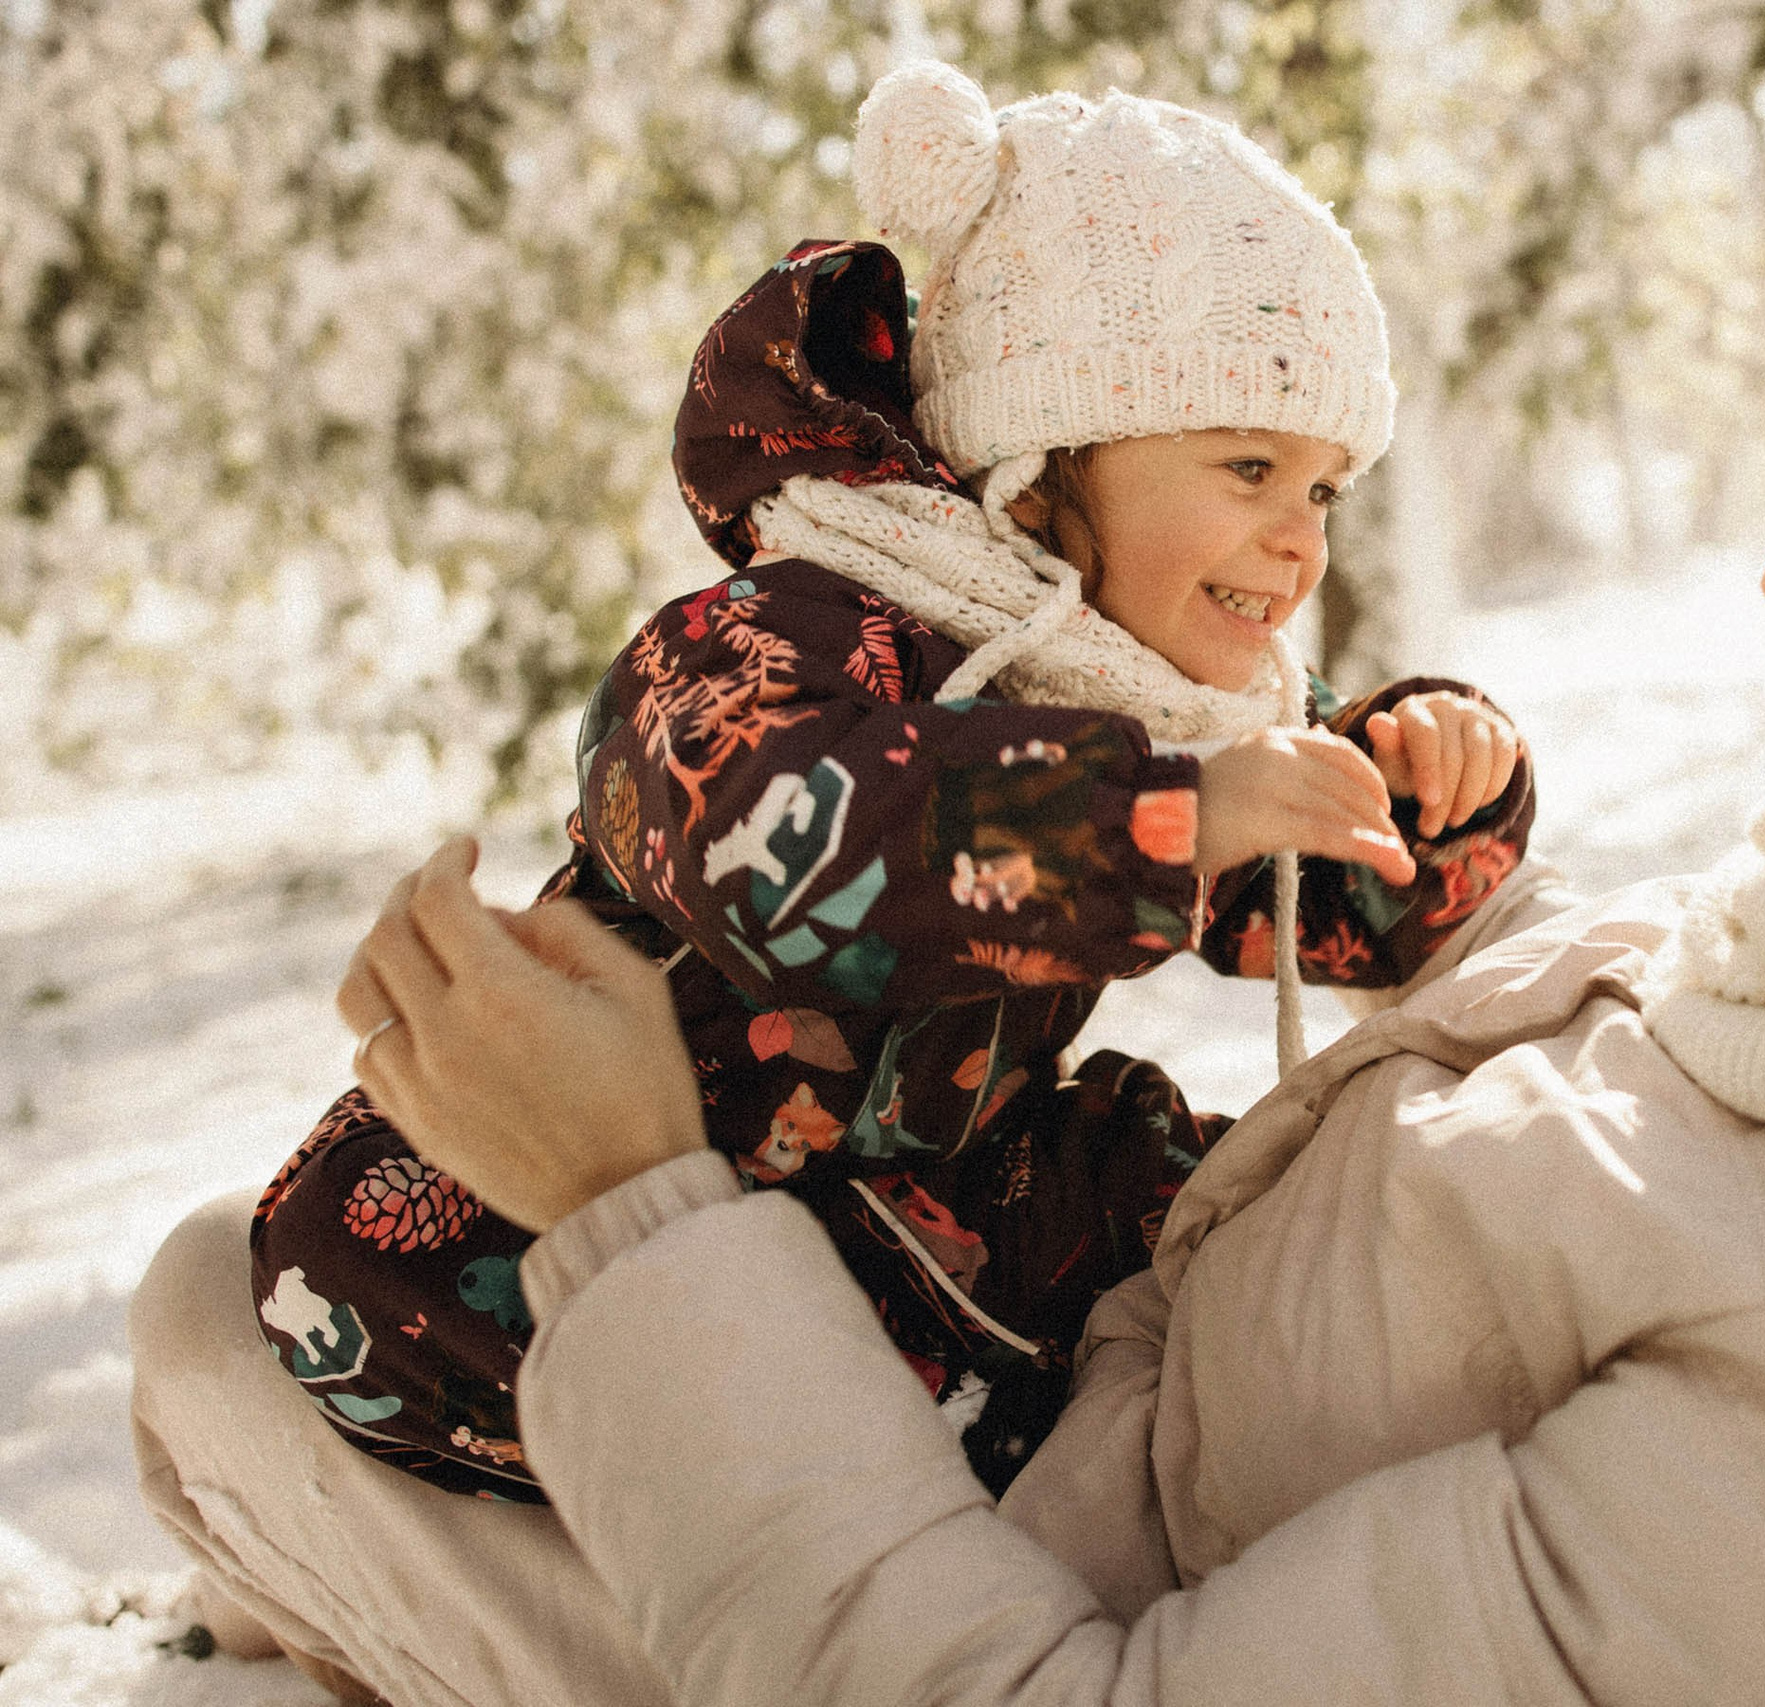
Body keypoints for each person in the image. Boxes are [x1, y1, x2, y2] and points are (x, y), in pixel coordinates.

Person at [134, 0, 1765, 1701]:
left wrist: (634, 1209)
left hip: (941, 1478)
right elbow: (850, 827)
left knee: (195, 1329)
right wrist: (1345, 850)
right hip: (1012, 1311)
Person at [240, 58, 1534, 1518]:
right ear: (1040, 463)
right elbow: (781, 855)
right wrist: (1171, 817)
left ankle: (1090, 1367)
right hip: (571, 1196)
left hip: (918, 1196)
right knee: (339, 1255)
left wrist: (1425, 787)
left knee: (1176, 1179)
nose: (1300, 544)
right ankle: (869, 1443)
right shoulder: (771, 635)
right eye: (1248, 467)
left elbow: (1352, 921)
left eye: (1324, 489)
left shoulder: (1141, 700)